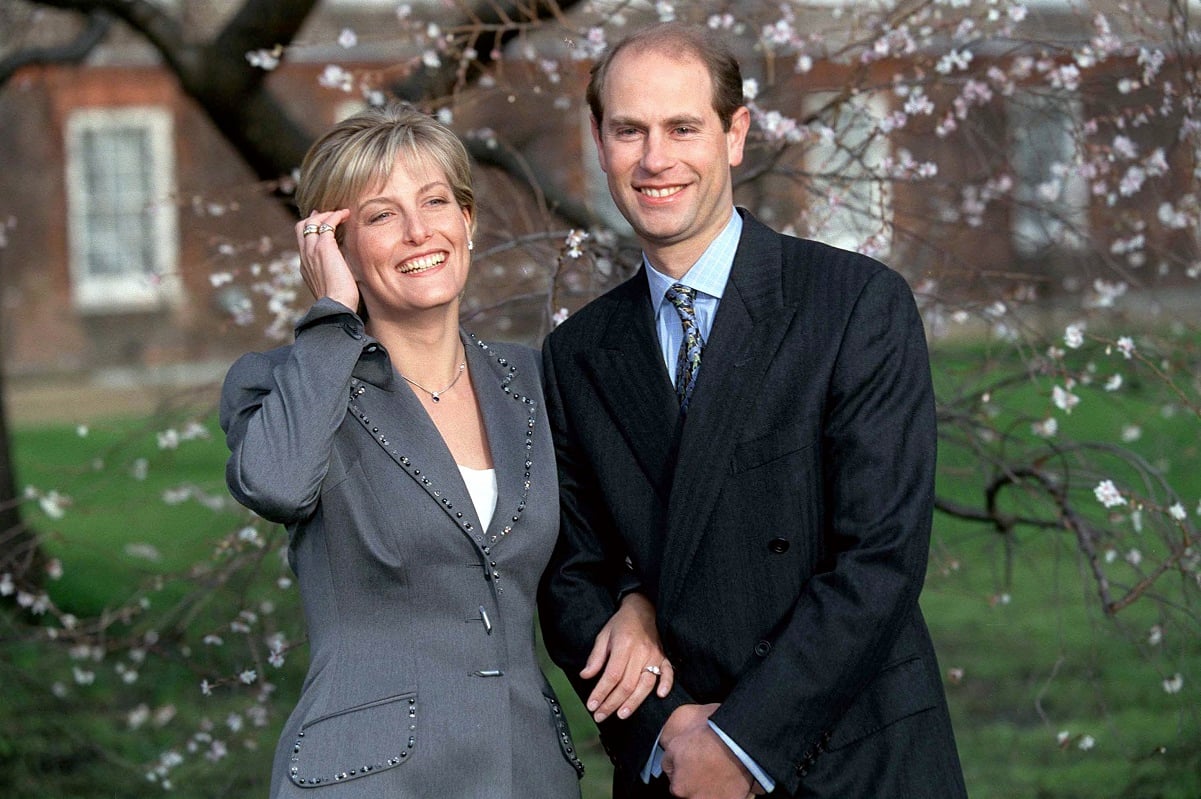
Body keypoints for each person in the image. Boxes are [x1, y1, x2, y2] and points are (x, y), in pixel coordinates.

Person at [539, 22, 968, 799]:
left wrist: (740, 742)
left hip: (850, 759)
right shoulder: (577, 354)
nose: (655, 159)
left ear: (734, 135)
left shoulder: (854, 304)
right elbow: (572, 575)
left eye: (682, 128)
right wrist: (663, 730)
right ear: (600, 144)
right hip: (674, 770)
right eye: (628, 130)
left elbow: (879, 557)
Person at [219, 103, 671, 799]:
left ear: (467, 220)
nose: (418, 231)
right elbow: (277, 485)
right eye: (380, 215)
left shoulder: (532, 380)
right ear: (334, 244)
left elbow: (600, 546)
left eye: (436, 201)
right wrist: (331, 320)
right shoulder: (288, 384)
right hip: (367, 779)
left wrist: (635, 601)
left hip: (528, 770)